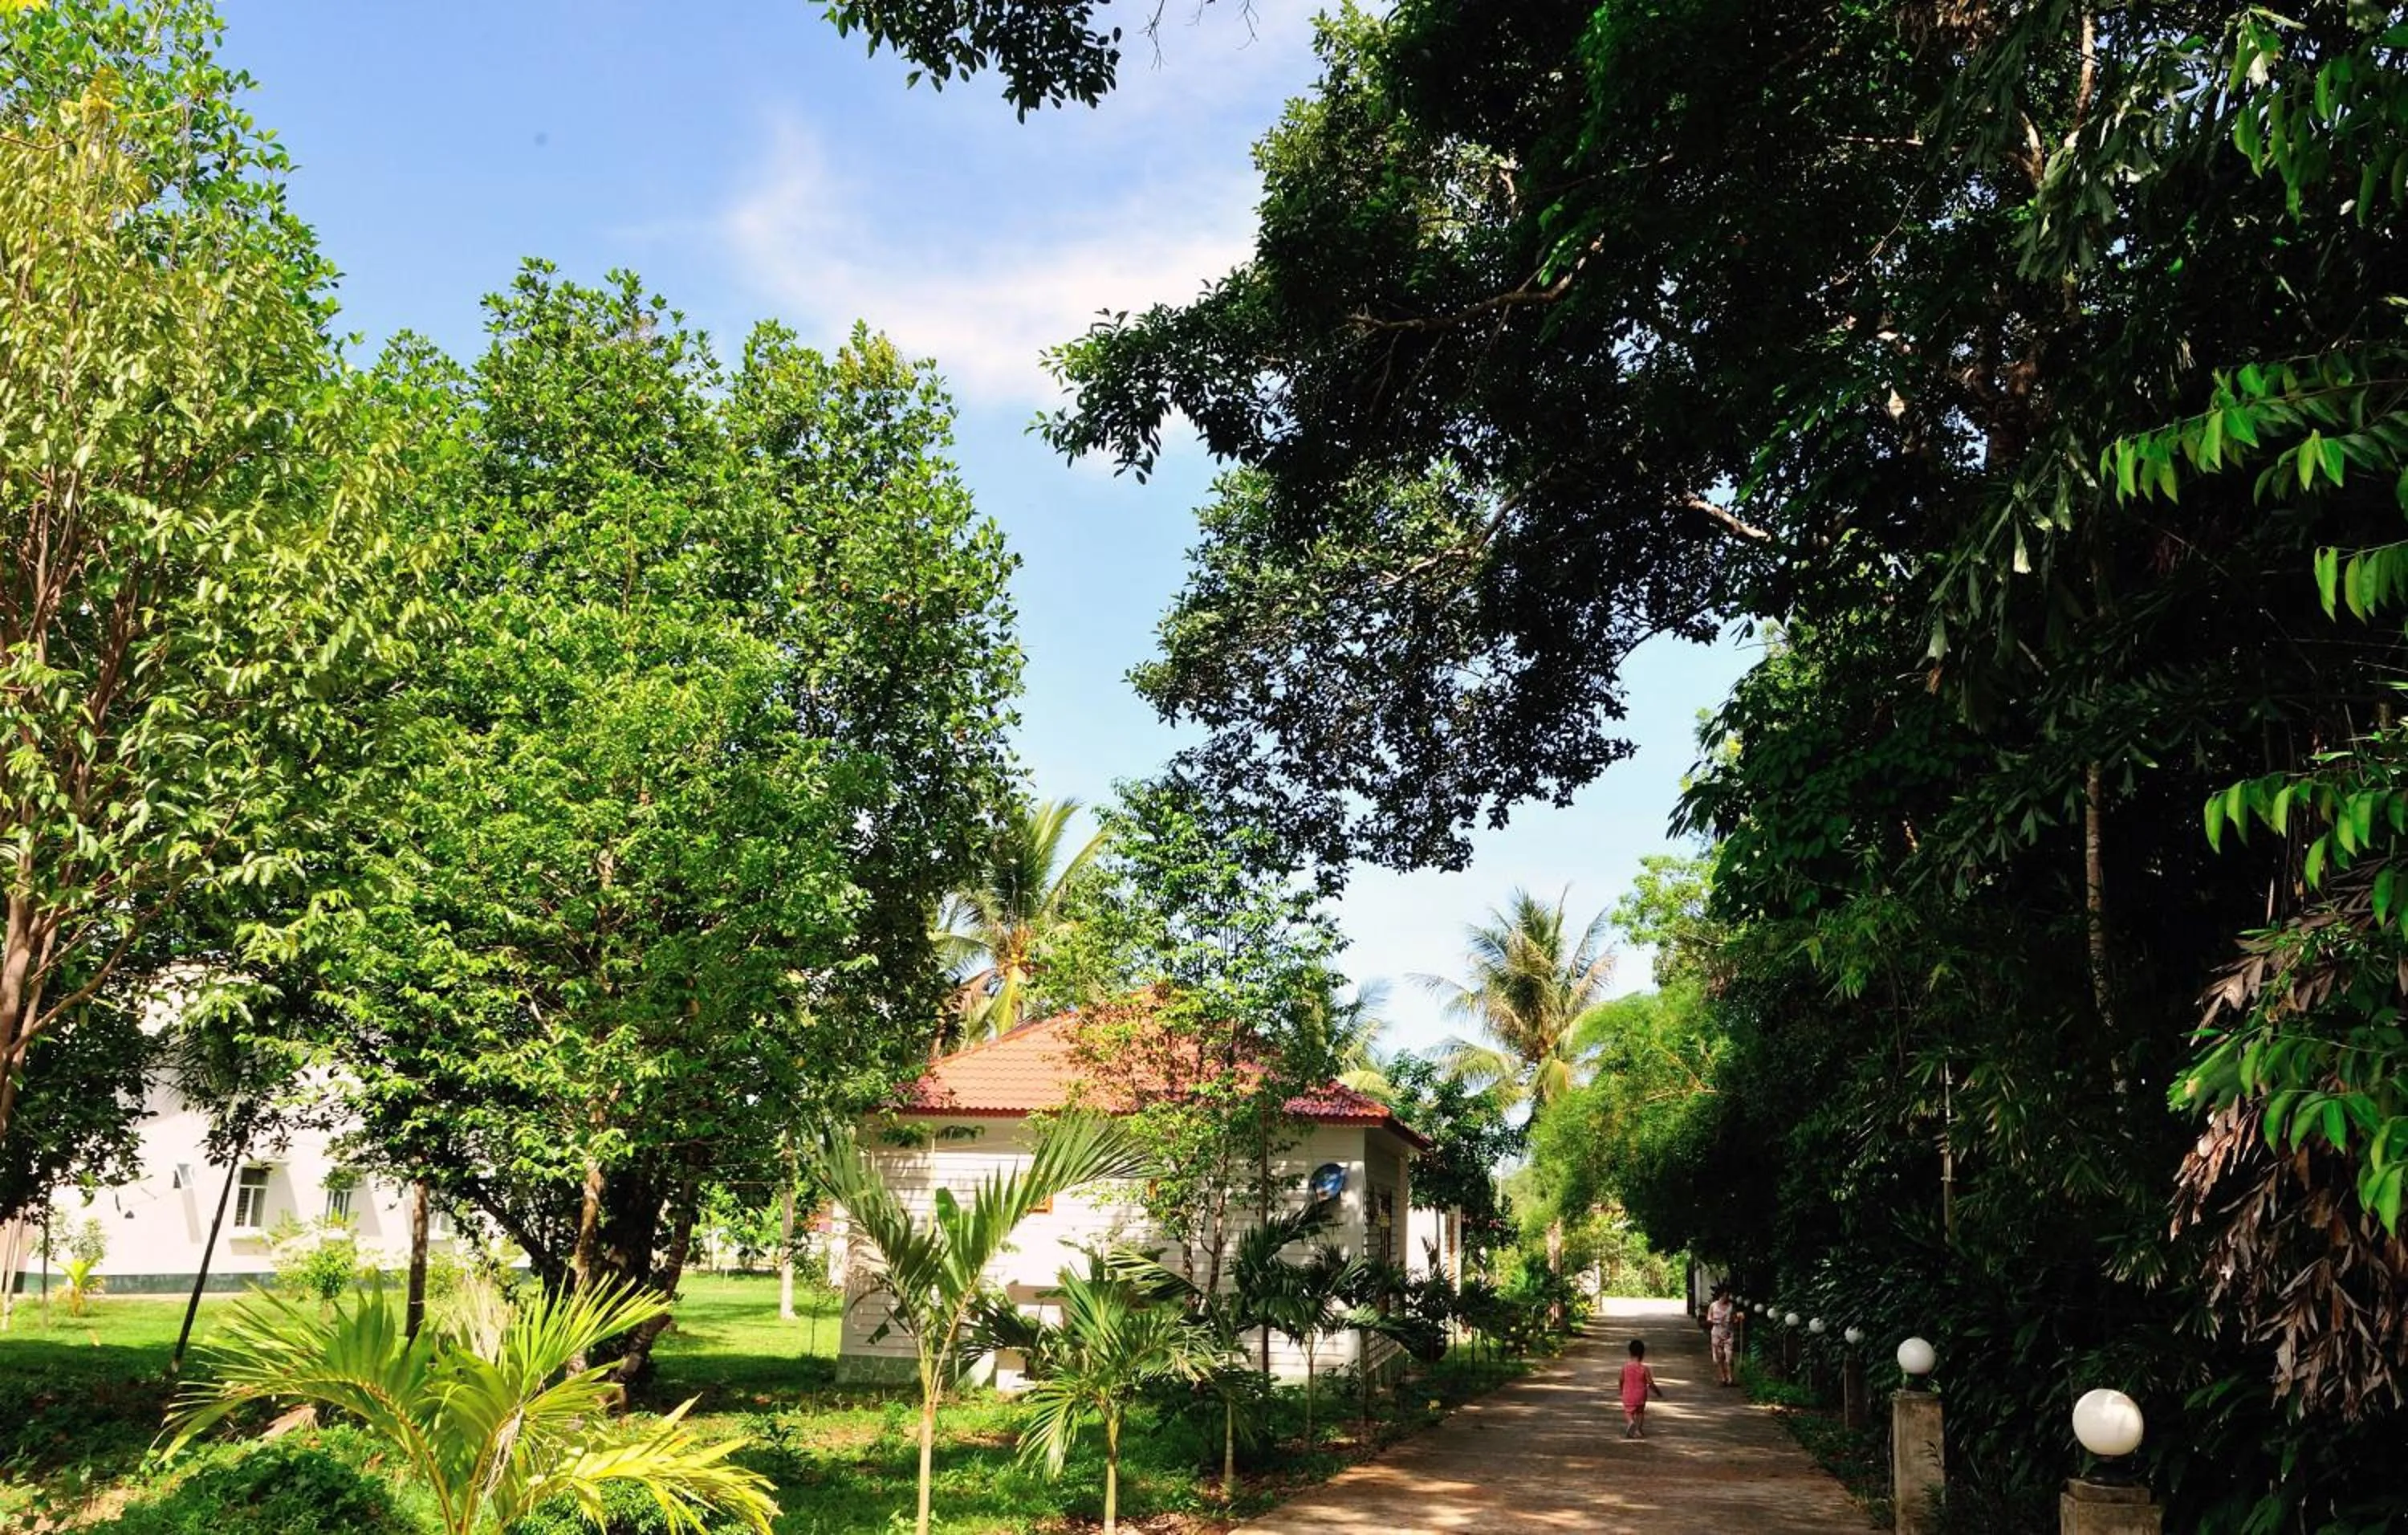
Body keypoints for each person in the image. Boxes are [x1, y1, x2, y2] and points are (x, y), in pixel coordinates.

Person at [1620, 1338, 1666, 1439]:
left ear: (1630, 1353)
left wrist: (1621, 1390)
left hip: (1628, 1395)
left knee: (1628, 1412)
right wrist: (1658, 1392)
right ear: (1642, 1354)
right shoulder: (1644, 1368)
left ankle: (1631, 1422)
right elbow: (1650, 1383)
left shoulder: (1625, 1367)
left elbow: (1621, 1380)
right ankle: (1638, 1430)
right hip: (1641, 1395)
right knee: (1640, 1412)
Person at [1706, 1285, 1738, 1386]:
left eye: (1727, 1296)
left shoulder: (1731, 1306)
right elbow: (1709, 1318)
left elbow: (1735, 1318)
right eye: (1724, 1296)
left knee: (1729, 1356)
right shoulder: (1713, 1306)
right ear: (1720, 1296)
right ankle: (1723, 1378)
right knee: (1720, 1356)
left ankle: (1730, 1378)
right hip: (1717, 1333)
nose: (1726, 1298)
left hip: (1728, 1333)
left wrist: (1738, 1319)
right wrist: (1716, 1321)